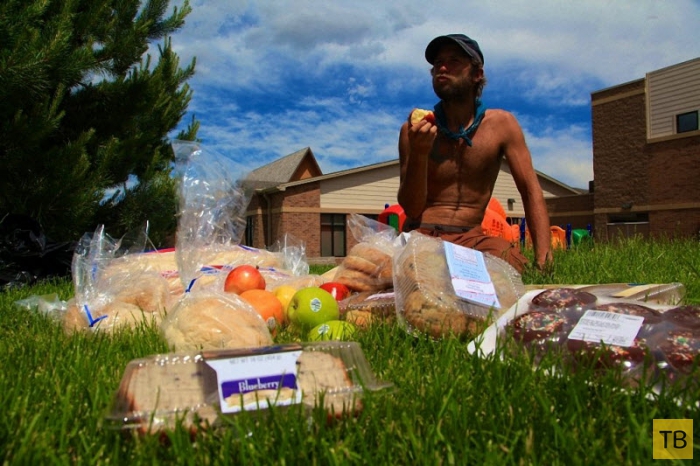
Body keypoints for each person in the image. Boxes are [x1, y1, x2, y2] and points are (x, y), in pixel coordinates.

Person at [397, 34, 552, 273]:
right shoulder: (414, 130)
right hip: (421, 234)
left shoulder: (502, 125)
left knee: (509, 263)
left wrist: (544, 260)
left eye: (454, 61)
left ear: (477, 74)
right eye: (438, 63)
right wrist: (419, 153)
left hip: (471, 239)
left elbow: (530, 190)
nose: (442, 68)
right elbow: (412, 209)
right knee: (402, 270)